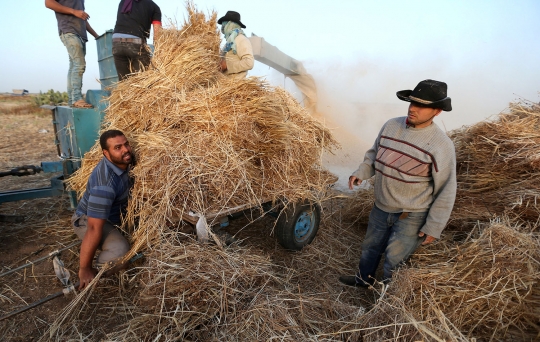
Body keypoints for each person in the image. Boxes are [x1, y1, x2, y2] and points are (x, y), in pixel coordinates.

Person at [339, 79, 457, 287]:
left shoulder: (441, 145)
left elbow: (447, 188)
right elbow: (374, 155)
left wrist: (434, 226)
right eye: (412, 103)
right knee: (370, 247)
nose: (413, 109)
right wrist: (361, 172)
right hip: (381, 207)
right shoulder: (391, 126)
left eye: (422, 106)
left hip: (411, 215)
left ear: (437, 112)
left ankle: (387, 301)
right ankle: (362, 281)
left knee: (394, 260)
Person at [72, 130, 134, 290]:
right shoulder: (105, 185)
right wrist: (84, 268)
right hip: (88, 220)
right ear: (106, 153)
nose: (125, 150)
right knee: (120, 251)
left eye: (126, 144)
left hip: (114, 214)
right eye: (118, 148)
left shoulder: (126, 161)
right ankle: (97, 272)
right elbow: (93, 227)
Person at [46, 0, 99, 108]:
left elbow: (82, 19)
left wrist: (96, 36)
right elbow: (48, 2)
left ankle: (72, 99)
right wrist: (74, 11)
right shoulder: (74, 9)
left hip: (80, 34)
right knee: (79, 65)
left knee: (74, 65)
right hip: (69, 31)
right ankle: (76, 98)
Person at [112, 0, 162, 80]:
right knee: (142, 81)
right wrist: (158, 53)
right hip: (136, 43)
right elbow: (157, 35)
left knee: (124, 83)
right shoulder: (154, 7)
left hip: (116, 42)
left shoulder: (124, 2)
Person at [217, 11, 254, 79]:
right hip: (224, 86)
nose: (223, 28)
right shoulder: (229, 43)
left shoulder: (241, 40)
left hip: (235, 85)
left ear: (231, 24)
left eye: (225, 24)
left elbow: (249, 63)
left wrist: (227, 66)